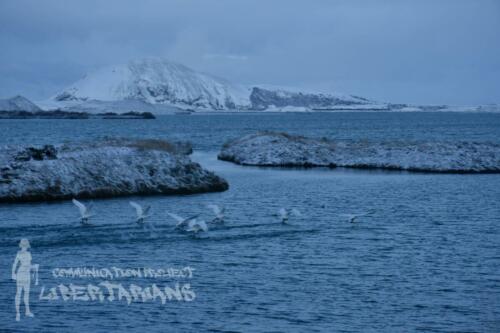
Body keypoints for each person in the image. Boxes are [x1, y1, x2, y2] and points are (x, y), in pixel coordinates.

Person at [12, 238, 37, 321]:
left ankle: (18, 314)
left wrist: (13, 273)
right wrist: (35, 268)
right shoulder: (28, 254)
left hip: (20, 273)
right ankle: (27, 311)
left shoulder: (18, 253)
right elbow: (29, 265)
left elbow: (15, 264)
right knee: (26, 293)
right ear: (26, 245)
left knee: (18, 293)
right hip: (26, 274)